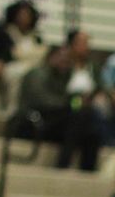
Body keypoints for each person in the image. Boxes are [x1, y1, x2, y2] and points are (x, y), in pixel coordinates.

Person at [15, 44, 101, 172]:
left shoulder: (64, 77)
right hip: (31, 122)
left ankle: (87, 172)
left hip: (52, 122)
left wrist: (78, 103)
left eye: (68, 59)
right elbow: (43, 102)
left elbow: (71, 100)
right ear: (51, 57)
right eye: (62, 57)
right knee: (77, 118)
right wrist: (71, 104)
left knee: (91, 132)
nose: (65, 62)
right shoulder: (37, 74)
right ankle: (62, 165)